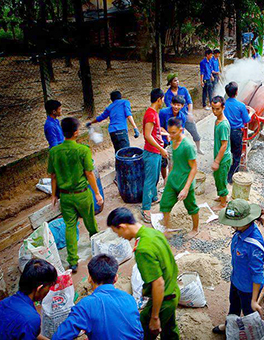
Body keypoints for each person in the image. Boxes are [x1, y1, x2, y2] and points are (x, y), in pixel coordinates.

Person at [107, 207, 180, 340]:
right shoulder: (153, 233)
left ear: (122, 227)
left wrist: (155, 317)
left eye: (117, 232)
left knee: (143, 331)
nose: (119, 236)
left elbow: (158, 283)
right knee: (170, 329)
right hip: (174, 290)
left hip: (164, 299)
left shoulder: (142, 249)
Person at [48, 117, 102, 273]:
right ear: (76, 132)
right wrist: (97, 193)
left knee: (70, 227)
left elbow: (53, 176)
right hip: (82, 194)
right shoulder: (83, 150)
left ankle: (72, 261)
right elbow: (89, 173)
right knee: (90, 222)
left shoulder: (54, 152)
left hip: (65, 197)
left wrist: (53, 195)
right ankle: (97, 248)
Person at [51, 255, 143, 340]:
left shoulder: (86, 305)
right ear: (116, 278)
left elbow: (59, 337)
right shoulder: (129, 299)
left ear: (89, 278)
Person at [212, 199, 264, 335]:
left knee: (249, 313)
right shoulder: (240, 233)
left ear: (246, 221)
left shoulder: (254, 246)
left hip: (248, 289)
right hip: (236, 280)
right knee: (234, 305)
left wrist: (254, 300)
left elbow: (258, 275)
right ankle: (229, 325)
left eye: (235, 224)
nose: (232, 227)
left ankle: (251, 334)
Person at [0, 259, 57, 340]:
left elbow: (25, 332)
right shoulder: (31, 318)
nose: (49, 290)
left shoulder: (3, 303)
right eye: (49, 286)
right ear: (39, 289)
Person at [159, 117, 199, 235]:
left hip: (185, 181)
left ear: (181, 130)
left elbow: (194, 168)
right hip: (173, 179)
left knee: (191, 207)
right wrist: (169, 177)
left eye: (173, 133)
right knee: (165, 204)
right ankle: (166, 229)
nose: (170, 136)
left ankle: (195, 229)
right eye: (169, 132)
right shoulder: (173, 140)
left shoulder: (188, 146)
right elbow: (174, 161)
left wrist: (186, 188)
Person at [141, 89, 167, 223]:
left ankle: (153, 197)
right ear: (159, 99)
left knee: (155, 177)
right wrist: (161, 148)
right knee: (150, 180)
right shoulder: (151, 114)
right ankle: (145, 208)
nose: (163, 102)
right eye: (162, 99)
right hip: (151, 152)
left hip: (155, 152)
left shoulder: (154, 113)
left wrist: (166, 134)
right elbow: (147, 135)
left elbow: (155, 132)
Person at [164, 74, 203, 155]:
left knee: (195, 133)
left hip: (186, 116)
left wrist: (190, 113)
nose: (177, 82)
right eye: (175, 80)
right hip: (175, 119)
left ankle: (198, 148)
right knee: (176, 136)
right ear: (170, 83)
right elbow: (170, 108)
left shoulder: (183, 90)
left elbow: (189, 102)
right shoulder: (167, 95)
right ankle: (177, 152)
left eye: (177, 80)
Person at [224, 82, 251, 184]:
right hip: (236, 133)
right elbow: (247, 119)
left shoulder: (223, 104)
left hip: (225, 131)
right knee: (236, 156)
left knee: (225, 152)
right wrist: (251, 113)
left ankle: (223, 174)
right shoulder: (241, 105)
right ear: (236, 92)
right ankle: (231, 178)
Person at [210, 96, 232, 211]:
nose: (214, 111)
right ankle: (222, 197)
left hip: (223, 159)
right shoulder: (217, 120)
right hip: (221, 157)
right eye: (213, 108)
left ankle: (223, 204)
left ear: (223, 108)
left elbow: (224, 145)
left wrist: (217, 161)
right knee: (218, 178)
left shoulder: (223, 124)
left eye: (217, 109)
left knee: (221, 179)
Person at [159, 95, 187, 181]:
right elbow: (159, 127)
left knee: (173, 163)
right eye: (174, 104)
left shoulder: (182, 117)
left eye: (178, 105)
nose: (176, 107)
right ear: (171, 104)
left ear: (182, 106)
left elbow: (181, 132)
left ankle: (169, 181)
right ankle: (165, 179)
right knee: (163, 163)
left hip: (174, 143)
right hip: (163, 141)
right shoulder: (163, 112)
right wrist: (168, 134)